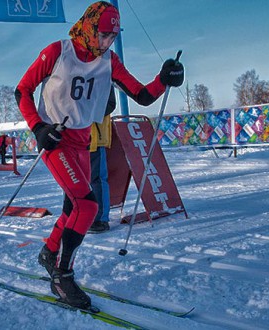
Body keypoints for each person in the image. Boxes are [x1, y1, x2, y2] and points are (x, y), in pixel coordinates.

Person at [15, 1, 183, 309]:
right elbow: (22, 90)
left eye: (112, 37)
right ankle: (62, 278)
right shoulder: (58, 52)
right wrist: (38, 127)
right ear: (90, 27)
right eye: (103, 35)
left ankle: (49, 253)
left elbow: (142, 95)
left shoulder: (109, 61)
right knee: (87, 205)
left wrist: (164, 79)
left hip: (83, 141)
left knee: (72, 205)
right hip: (56, 139)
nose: (106, 43)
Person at [88, 88, 116, 234]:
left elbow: (110, 103)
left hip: (94, 137)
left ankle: (101, 219)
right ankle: (77, 216)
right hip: (73, 138)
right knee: (73, 180)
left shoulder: (103, 74)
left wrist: (86, 109)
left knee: (97, 179)